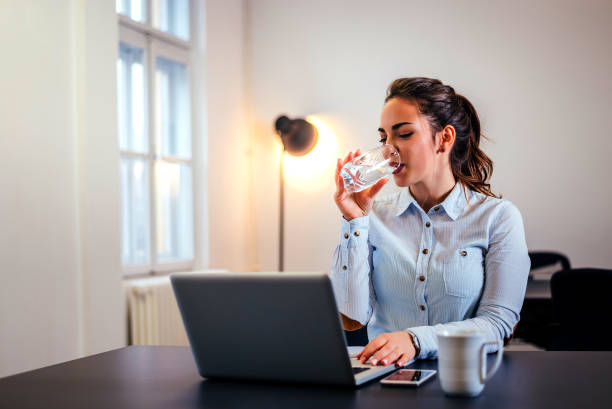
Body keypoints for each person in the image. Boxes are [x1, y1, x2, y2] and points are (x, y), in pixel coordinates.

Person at [330, 77, 530, 367]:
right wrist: (354, 221)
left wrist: (415, 340)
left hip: (464, 377)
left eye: (404, 134)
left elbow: (497, 325)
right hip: (386, 378)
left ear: (445, 139)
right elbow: (351, 319)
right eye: (384, 137)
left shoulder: (498, 217)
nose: (389, 150)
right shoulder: (374, 217)